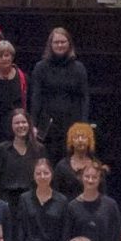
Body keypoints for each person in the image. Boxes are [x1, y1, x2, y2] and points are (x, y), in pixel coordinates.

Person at [28, 27, 90, 156]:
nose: (60, 45)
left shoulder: (79, 68)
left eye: (63, 42)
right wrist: (33, 123)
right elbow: (36, 96)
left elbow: (84, 98)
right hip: (47, 124)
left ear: (69, 44)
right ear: (50, 45)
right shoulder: (41, 67)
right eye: (56, 42)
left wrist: (83, 124)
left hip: (72, 123)